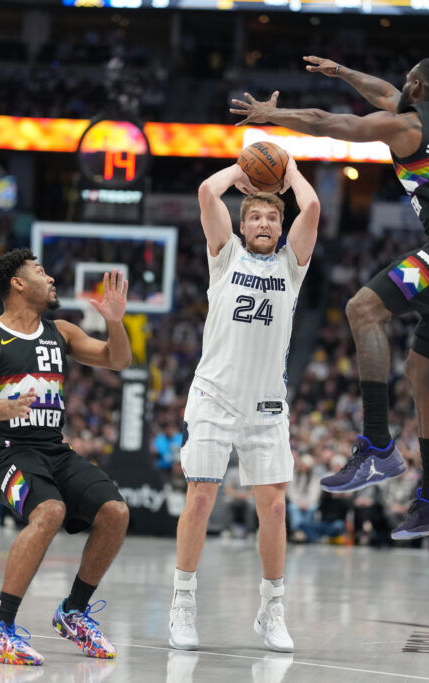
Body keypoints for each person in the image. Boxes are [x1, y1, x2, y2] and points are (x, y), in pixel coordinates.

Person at [231, 56, 429, 540]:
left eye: (406, 80)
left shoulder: (406, 127)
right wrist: (342, 72)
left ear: (416, 86)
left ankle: (378, 446)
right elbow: (384, 93)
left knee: (363, 308)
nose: (399, 86)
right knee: (422, 372)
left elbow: (328, 122)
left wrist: (272, 116)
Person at [169, 158, 320, 653]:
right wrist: (241, 169)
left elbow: (312, 208)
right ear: (242, 225)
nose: (264, 223)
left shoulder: (291, 266)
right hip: (214, 396)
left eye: (272, 218)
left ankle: (271, 609)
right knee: (201, 499)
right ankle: (183, 603)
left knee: (274, 508)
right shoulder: (225, 255)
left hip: (267, 404)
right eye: (255, 217)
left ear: (281, 227)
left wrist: (289, 169)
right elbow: (205, 194)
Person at [0, 248, 132, 666]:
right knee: (50, 510)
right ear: (18, 283)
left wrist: (115, 322)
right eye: (40, 272)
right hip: (6, 451)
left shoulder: (62, 332)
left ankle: (74, 612)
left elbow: (118, 359)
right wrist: (4, 406)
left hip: (53, 448)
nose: (51, 278)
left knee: (115, 512)